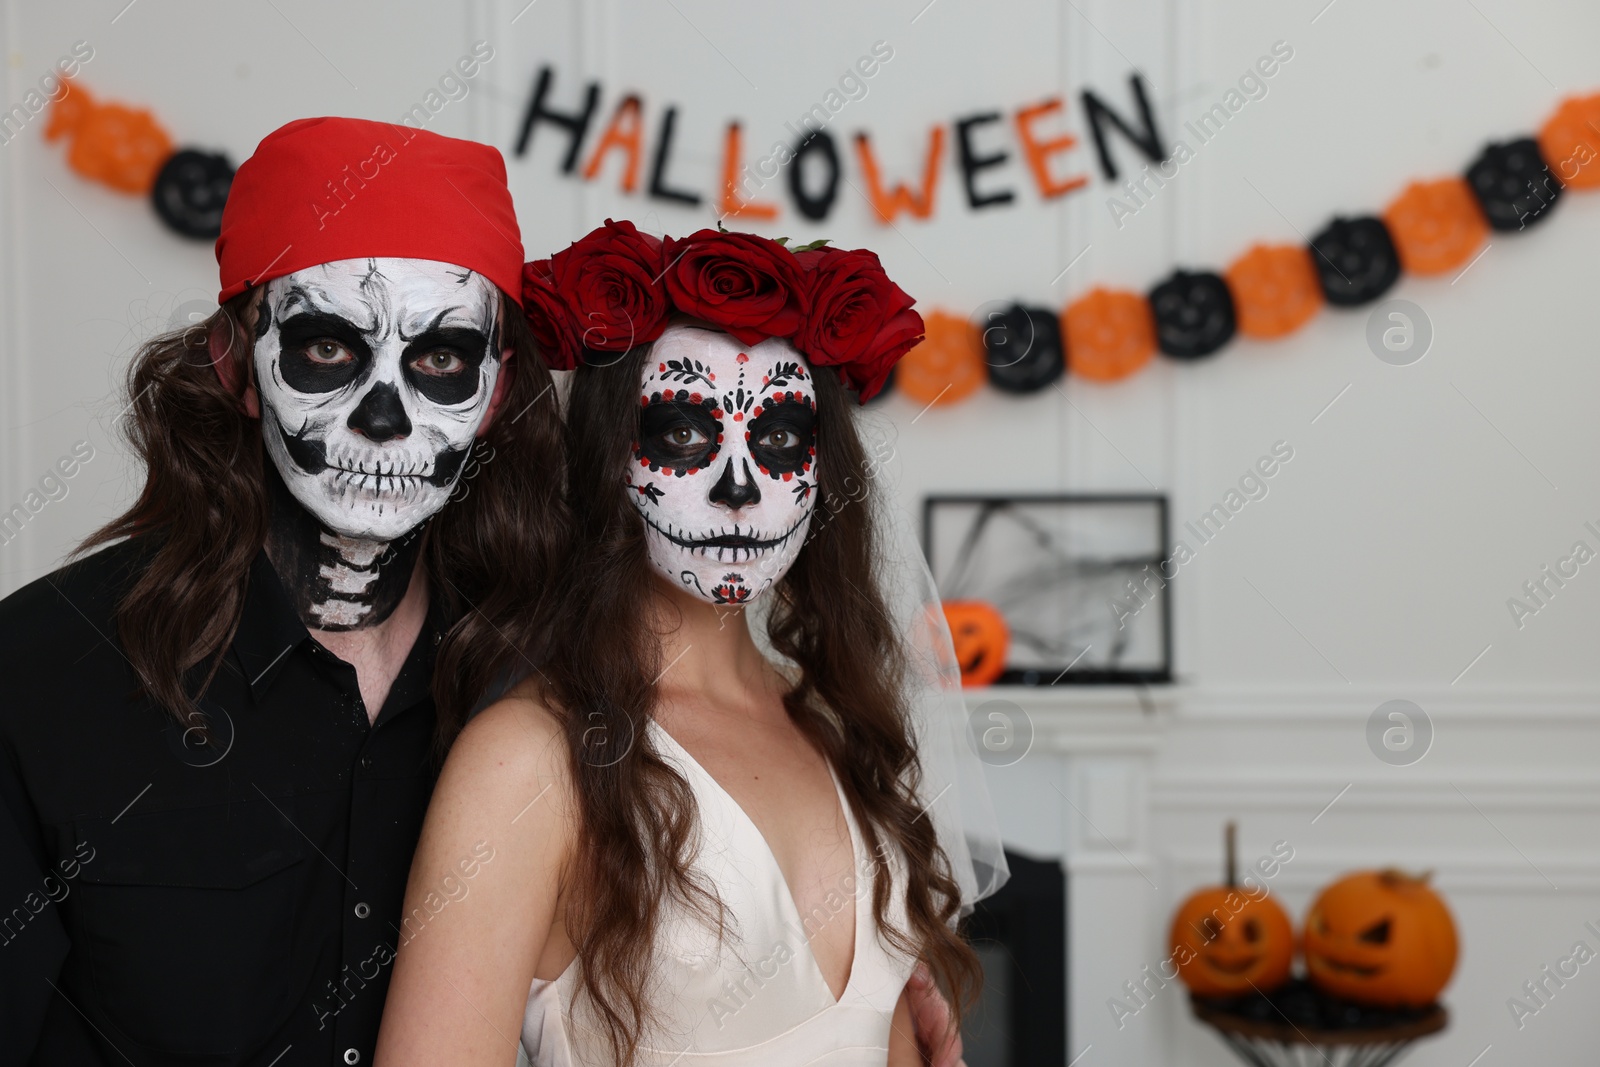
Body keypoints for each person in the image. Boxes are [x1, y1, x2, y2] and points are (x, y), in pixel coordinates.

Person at [0, 116, 567, 1066]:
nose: (384, 418)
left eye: (437, 361)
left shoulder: (549, 682)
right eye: (328, 349)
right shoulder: (41, 674)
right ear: (237, 366)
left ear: (496, 393)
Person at [375, 223, 999, 1065]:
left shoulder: (840, 727)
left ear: (824, 467)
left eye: (777, 439)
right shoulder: (527, 761)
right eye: (683, 434)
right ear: (609, 456)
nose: (738, 488)